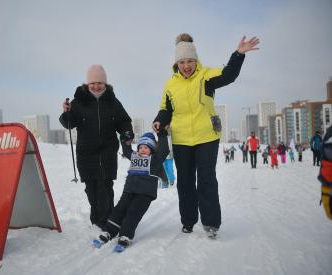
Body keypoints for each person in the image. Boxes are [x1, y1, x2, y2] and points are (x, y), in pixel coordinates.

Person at [152, 33, 259, 237]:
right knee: (185, 181)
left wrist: (238, 54)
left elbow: (228, 75)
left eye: (190, 61)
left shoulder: (206, 76)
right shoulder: (170, 84)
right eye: (182, 61)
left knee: (206, 178)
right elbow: (165, 109)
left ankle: (210, 223)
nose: (186, 65)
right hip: (182, 138)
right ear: (177, 63)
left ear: (196, 60)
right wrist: (160, 120)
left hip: (207, 136)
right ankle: (189, 220)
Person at [59, 64, 134, 229]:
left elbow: (124, 121)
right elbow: (68, 123)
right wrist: (66, 112)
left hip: (107, 151)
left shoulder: (113, 102)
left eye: (100, 83)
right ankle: (97, 219)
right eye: (93, 83)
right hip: (86, 153)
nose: (96, 86)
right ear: (87, 84)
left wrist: (127, 133)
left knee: (105, 186)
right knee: (91, 188)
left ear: (105, 84)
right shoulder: (78, 102)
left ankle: (107, 220)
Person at [96, 131, 169, 248]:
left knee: (133, 213)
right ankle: (109, 231)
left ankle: (125, 235)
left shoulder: (155, 160)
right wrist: (125, 140)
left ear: (152, 149)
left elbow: (164, 151)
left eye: (146, 147)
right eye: (141, 147)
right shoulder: (134, 156)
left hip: (145, 194)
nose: (143, 150)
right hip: (129, 190)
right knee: (119, 210)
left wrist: (161, 135)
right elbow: (126, 150)